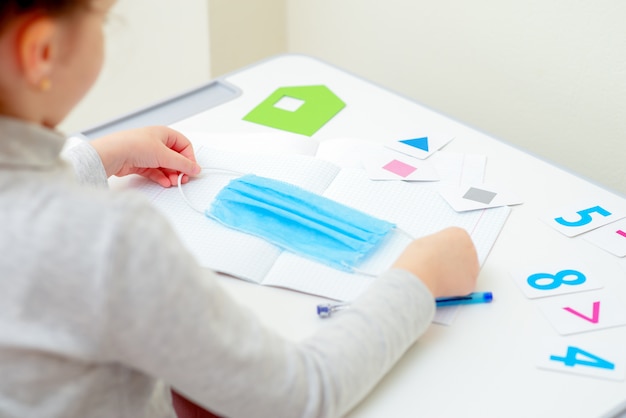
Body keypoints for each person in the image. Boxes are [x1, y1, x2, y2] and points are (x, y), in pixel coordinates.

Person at [0, 1, 480, 417]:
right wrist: (420, 279)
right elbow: (301, 396)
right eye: (103, 18)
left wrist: (99, 156)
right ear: (42, 52)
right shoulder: (111, 241)